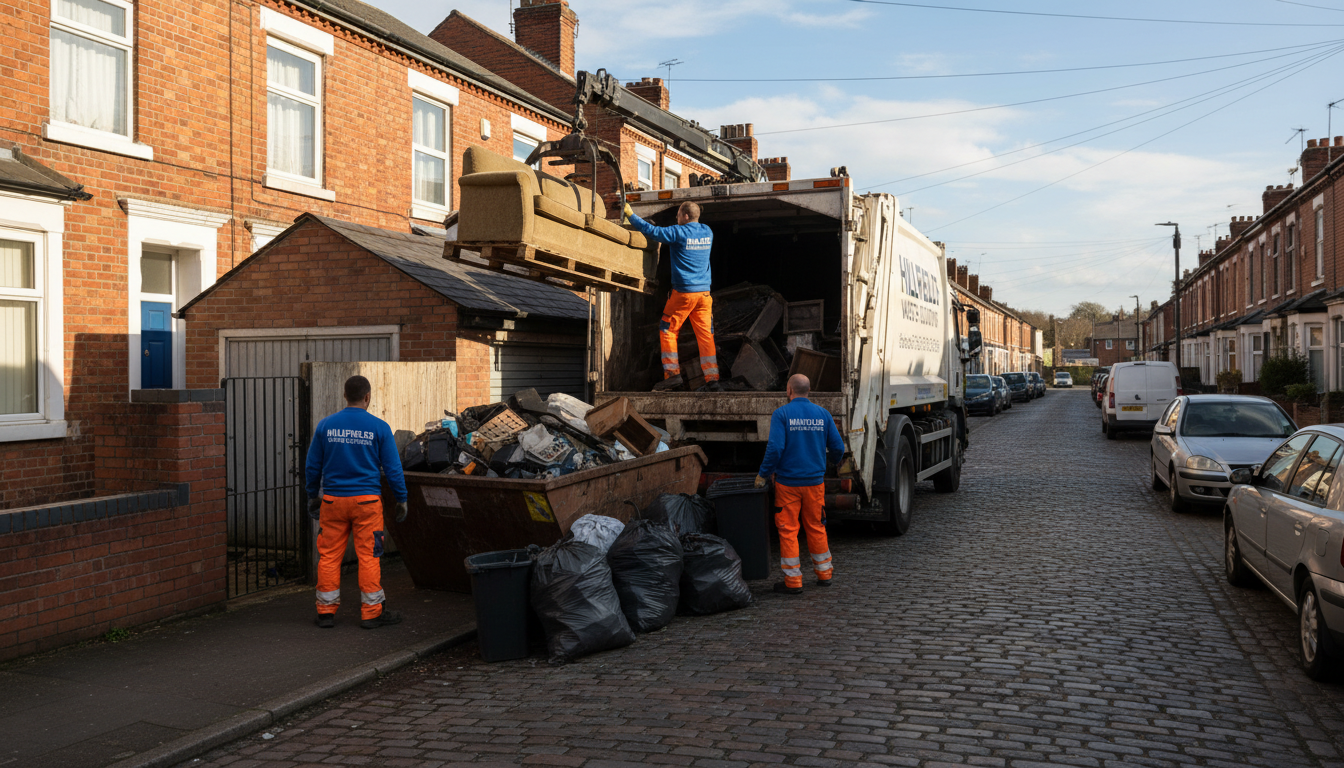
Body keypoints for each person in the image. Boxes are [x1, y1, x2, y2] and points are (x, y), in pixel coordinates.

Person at [305, 375, 409, 629]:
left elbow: (312, 466)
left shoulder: (326, 426)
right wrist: (402, 499)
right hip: (367, 504)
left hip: (333, 502)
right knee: (369, 557)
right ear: (367, 397)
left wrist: (312, 495)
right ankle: (371, 612)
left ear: (345, 395)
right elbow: (393, 469)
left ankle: (326, 612)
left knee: (328, 556)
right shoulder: (379, 427)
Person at [755, 374, 845, 595]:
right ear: (809, 390)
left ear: (789, 390)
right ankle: (825, 574)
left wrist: (763, 474)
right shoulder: (823, 414)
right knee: (816, 526)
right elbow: (838, 448)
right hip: (815, 484)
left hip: (788, 485)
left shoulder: (782, 414)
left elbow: (775, 449)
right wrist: (832, 461)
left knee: (788, 530)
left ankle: (793, 582)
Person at [623, 200, 721, 392]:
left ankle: (672, 376)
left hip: (684, 293)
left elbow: (653, 232)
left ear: (685, 216)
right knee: (706, 336)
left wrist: (631, 215)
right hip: (704, 295)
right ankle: (712, 380)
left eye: (678, 214)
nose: (676, 218)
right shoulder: (708, 232)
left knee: (668, 330)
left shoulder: (678, 232)